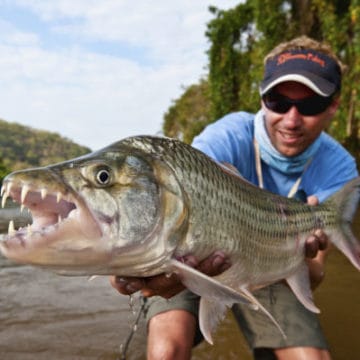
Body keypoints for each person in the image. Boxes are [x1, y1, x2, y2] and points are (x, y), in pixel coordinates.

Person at [110, 36, 358, 360]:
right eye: (279, 102)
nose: (292, 119)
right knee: (166, 351)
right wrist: (132, 259)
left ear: (334, 106)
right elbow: (178, 188)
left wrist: (302, 255)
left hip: (272, 267)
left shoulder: (341, 169)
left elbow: (315, 276)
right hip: (193, 258)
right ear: (262, 98)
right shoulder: (227, 135)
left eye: (309, 105)